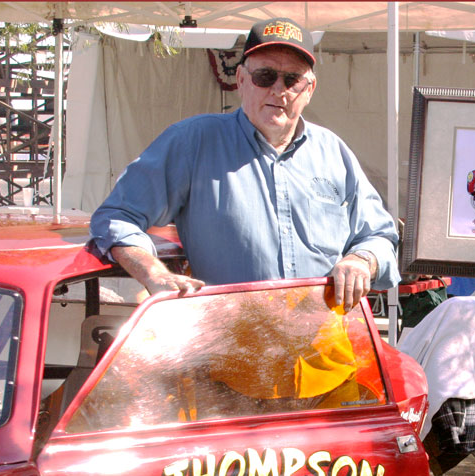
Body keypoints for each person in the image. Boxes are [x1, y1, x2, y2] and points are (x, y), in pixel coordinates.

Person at [89, 17, 400, 311]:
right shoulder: (193, 142)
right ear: (240, 80)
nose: (279, 90)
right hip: (232, 346)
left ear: (310, 89)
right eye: (265, 76)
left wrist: (362, 259)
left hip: (323, 347)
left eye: (292, 80)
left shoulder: (334, 153)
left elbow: (380, 236)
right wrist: (154, 274)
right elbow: (117, 216)